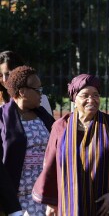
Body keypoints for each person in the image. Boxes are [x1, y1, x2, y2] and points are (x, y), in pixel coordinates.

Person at [32, 74, 109, 216]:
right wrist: (51, 202)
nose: (91, 100)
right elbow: (50, 165)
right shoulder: (60, 127)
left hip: (104, 207)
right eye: (85, 95)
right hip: (70, 206)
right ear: (74, 98)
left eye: (95, 95)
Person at [0, 66, 54, 215]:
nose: (41, 94)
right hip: (15, 202)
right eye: (37, 90)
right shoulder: (2, 119)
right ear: (22, 92)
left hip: (45, 197)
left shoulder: (44, 116)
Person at [0, 51, 53, 115]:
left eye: (8, 74)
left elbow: (50, 124)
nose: (4, 79)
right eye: (0, 75)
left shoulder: (40, 100)